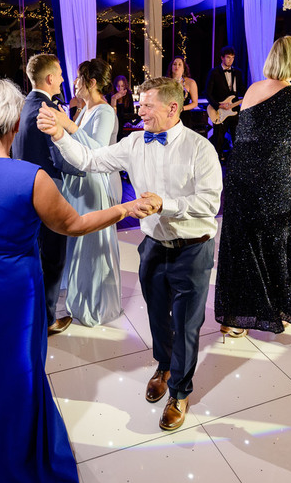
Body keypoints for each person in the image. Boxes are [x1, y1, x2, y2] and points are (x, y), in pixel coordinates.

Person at [0, 79, 158, 483]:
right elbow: (74, 224)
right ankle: (13, 458)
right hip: (14, 286)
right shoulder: (29, 177)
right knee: (17, 369)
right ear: (15, 123)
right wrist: (126, 208)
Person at [38, 77, 222, 433]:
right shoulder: (135, 142)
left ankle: (180, 392)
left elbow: (209, 203)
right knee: (157, 316)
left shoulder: (200, 148)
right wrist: (60, 135)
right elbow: (90, 159)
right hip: (152, 247)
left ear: (172, 107)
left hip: (193, 248)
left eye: (146, 104)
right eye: (139, 103)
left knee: (186, 324)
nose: (139, 110)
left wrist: (163, 204)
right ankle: (164, 366)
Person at [214, 38, 291, 339]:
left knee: (241, 244)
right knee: (272, 241)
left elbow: (249, 134)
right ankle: (268, 307)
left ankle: (235, 316)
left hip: (239, 176)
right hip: (271, 178)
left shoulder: (253, 88)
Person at [46, 59, 122, 326]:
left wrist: (68, 124)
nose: (74, 83)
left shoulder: (104, 112)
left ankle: (97, 303)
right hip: (80, 182)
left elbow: (97, 151)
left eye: (79, 78)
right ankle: (79, 296)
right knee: (78, 243)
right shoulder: (84, 110)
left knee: (92, 243)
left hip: (95, 185)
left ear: (91, 83)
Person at [11, 53, 83, 335]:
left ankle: (31, 312)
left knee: (35, 255)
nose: (64, 79)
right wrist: (88, 168)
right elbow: (60, 156)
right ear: (50, 78)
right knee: (53, 256)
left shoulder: (23, 106)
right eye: (61, 74)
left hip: (24, 190)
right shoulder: (48, 109)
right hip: (48, 190)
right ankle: (48, 319)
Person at [205, 46, 245, 159]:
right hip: (220, 111)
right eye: (228, 57)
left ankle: (237, 161)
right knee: (218, 139)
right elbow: (208, 93)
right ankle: (216, 160)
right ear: (222, 57)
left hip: (234, 111)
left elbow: (242, 89)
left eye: (232, 58)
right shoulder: (214, 72)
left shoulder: (238, 72)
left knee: (237, 137)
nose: (230, 60)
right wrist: (218, 105)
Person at [109, 74, 136, 139]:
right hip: (115, 124)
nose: (120, 88)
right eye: (118, 86)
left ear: (125, 86)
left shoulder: (128, 95)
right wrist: (114, 99)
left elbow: (131, 112)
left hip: (126, 125)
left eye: (122, 86)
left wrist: (129, 122)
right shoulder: (111, 95)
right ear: (115, 85)